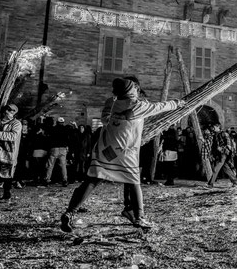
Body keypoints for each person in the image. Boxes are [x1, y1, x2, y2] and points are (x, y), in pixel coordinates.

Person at [59, 78, 186, 232]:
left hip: (106, 149)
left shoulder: (113, 102)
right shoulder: (137, 105)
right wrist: (177, 103)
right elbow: (159, 107)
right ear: (132, 90)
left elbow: (105, 120)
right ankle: (140, 217)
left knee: (92, 180)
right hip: (125, 151)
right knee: (134, 181)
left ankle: (70, 212)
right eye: (135, 88)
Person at [0, 104, 22, 199]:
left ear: (14, 113)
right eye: (7, 110)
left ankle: (7, 193)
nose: (8, 112)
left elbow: (13, 136)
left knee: (7, 174)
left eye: (10, 111)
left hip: (8, 152)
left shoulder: (16, 123)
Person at [43, 117, 70, 187]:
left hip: (54, 148)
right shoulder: (66, 129)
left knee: (50, 165)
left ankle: (47, 180)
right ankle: (65, 180)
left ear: (57, 122)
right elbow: (69, 138)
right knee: (63, 166)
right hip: (63, 149)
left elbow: (48, 138)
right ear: (63, 122)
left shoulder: (52, 129)